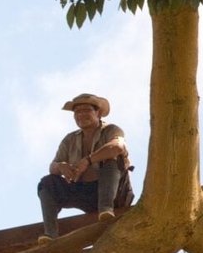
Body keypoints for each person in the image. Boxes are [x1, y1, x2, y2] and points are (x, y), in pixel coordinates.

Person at [37, 93, 132, 243]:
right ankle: (50, 233)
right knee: (47, 182)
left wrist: (88, 160)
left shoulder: (111, 130)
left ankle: (106, 210)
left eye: (86, 110)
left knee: (110, 162)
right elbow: (53, 166)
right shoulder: (70, 139)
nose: (81, 115)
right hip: (85, 193)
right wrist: (62, 167)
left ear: (98, 113)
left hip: (115, 193)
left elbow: (117, 147)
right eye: (77, 112)